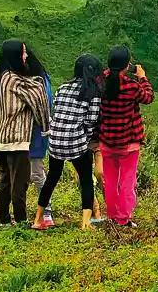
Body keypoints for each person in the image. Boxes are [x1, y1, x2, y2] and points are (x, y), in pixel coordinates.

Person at [32, 55, 103, 230]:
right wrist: (83, 140)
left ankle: (38, 219)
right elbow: (91, 121)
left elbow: (57, 110)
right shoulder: (92, 91)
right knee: (86, 179)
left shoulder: (63, 87)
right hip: (75, 142)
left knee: (52, 178)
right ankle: (86, 223)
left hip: (55, 140)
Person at [0, 39, 50, 227]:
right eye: (23, 53)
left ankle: (4, 220)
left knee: (5, 178)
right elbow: (38, 96)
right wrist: (45, 126)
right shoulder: (14, 79)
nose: (26, 56)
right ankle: (21, 220)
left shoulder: (2, 76)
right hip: (17, 138)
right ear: (15, 56)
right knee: (20, 180)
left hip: (2, 137)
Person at [98, 46, 154, 227]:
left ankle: (112, 215)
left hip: (107, 142)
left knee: (111, 180)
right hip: (129, 143)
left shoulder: (101, 83)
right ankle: (123, 218)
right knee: (127, 181)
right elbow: (148, 97)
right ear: (126, 65)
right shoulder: (131, 86)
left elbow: (102, 78)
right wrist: (142, 78)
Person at [26, 53, 55, 227]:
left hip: (36, 134)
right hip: (36, 133)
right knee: (35, 173)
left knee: (36, 173)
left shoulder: (37, 81)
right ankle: (45, 212)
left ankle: (46, 212)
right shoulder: (43, 78)